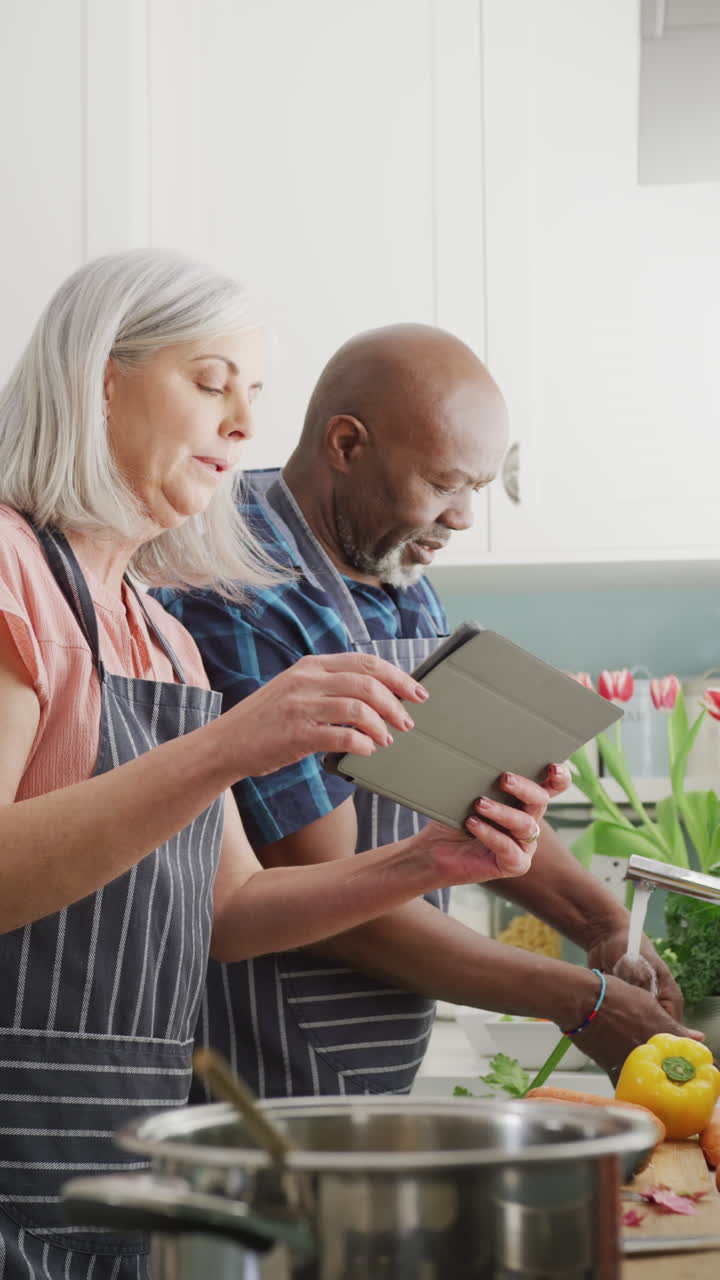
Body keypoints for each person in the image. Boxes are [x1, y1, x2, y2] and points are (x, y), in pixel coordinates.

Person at [0, 259, 559, 1280]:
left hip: (133, 1159)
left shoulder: (158, 632)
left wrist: (433, 860)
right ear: (101, 381)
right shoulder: (11, 575)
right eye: (212, 383)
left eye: (251, 395)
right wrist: (231, 740)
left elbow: (232, 908)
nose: (243, 426)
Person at [158, 323, 700, 1099]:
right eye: (445, 484)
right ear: (346, 445)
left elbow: (476, 798)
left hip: (374, 1051)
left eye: (475, 489)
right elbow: (332, 894)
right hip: (263, 1061)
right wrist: (580, 1001)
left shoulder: (393, 559)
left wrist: (606, 928)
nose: (462, 519)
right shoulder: (239, 589)